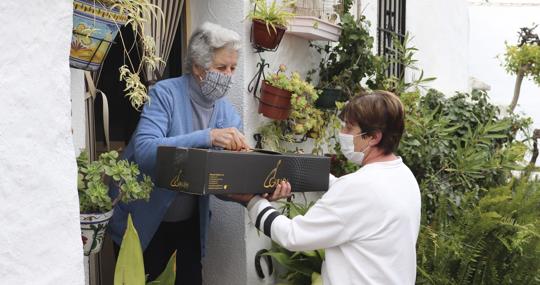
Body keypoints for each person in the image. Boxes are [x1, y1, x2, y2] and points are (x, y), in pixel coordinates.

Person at [108, 22, 250, 285]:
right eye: (221, 68)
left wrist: (256, 192)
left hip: (187, 227)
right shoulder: (165, 94)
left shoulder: (228, 114)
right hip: (142, 224)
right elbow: (146, 151)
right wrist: (208, 136)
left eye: (233, 68)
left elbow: (222, 182)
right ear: (197, 66)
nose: (228, 75)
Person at [236, 91, 421, 284]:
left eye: (349, 128)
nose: (342, 133)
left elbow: (294, 236)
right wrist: (304, 172)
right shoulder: (402, 175)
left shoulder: (360, 187)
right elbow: (354, 198)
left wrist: (253, 202)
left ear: (373, 137)